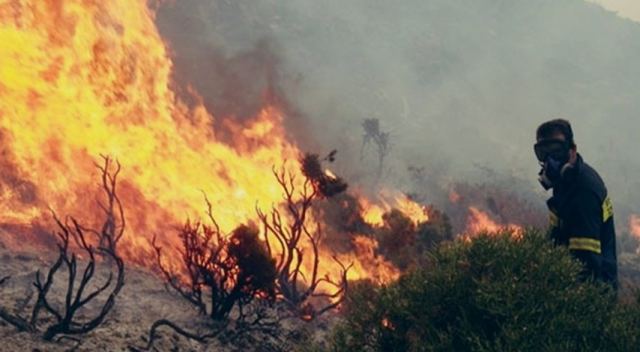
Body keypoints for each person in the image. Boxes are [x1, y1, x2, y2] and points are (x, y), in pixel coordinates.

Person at [534, 119, 617, 290]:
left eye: (556, 151)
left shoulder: (584, 192)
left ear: (572, 151)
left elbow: (586, 264)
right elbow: (556, 238)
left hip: (593, 294)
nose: (550, 160)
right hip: (570, 280)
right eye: (543, 153)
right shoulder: (566, 183)